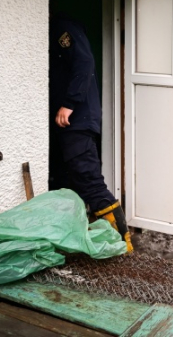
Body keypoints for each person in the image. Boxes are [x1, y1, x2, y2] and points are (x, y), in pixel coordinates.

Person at [49, 13, 133, 253]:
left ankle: (123, 245)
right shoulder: (59, 28)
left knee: (89, 181)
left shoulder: (63, 27)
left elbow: (84, 63)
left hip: (76, 121)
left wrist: (69, 103)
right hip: (70, 122)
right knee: (68, 180)